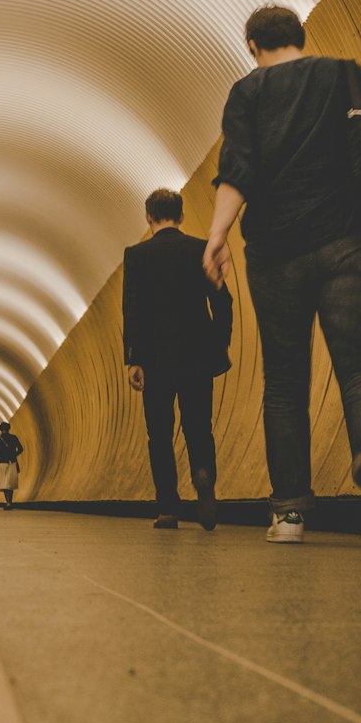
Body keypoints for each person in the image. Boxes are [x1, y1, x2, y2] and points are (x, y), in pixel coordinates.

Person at [203, 3, 361, 548]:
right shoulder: (346, 73)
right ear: (300, 36)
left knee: (285, 383)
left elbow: (238, 170)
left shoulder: (247, 93)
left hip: (278, 256)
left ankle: (289, 516)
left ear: (252, 46)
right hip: (354, 243)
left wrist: (218, 234)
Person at [123, 188, 233, 529]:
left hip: (156, 359)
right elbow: (224, 302)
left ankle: (168, 507)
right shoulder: (200, 249)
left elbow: (132, 311)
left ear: (148, 217)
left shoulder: (136, 256)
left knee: (159, 432)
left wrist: (134, 359)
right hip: (197, 355)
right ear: (181, 216)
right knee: (198, 426)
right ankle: (203, 475)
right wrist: (217, 344)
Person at [0, 422, 24, 507]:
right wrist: (14, 455)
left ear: (0, 429)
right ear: (9, 428)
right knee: (10, 483)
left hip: (2, 462)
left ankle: (8, 502)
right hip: (12, 462)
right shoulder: (13, 437)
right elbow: (21, 449)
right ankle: (10, 501)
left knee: (4, 483)